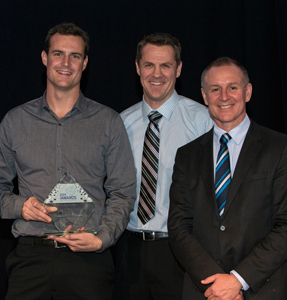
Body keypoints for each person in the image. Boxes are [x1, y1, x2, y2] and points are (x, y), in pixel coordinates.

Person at [0, 22, 136, 300]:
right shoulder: (15, 121)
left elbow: (123, 192)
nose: (66, 63)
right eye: (58, 54)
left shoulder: (108, 122)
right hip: (30, 259)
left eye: (75, 56)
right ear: (45, 58)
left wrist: (102, 238)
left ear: (85, 63)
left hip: (89, 262)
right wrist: (20, 206)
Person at [168, 57, 287, 300]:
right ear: (204, 95)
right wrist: (217, 283)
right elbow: (179, 227)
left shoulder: (280, 148)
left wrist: (238, 280)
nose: (224, 96)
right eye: (215, 89)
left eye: (232, 87)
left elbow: (285, 225)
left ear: (247, 92)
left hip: (260, 289)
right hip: (204, 290)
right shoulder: (186, 156)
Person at [115, 33, 213, 300]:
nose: (156, 74)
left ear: (178, 69)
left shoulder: (204, 123)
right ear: (137, 67)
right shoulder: (120, 124)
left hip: (182, 251)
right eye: (149, 65)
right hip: (129, 250)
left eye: (166, 65)